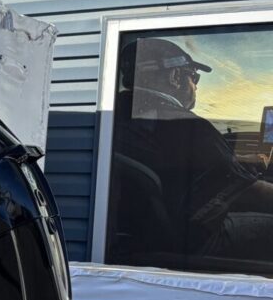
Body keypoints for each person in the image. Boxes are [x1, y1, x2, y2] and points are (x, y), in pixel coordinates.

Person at [112, 37, 273, 269]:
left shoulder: (115, 118)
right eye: (193, 77)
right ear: (175, 77)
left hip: (141, 236)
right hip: (192, 240)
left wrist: (237, 164)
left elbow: (196, 165)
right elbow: (249, 192)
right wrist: (248, 172)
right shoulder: (187, 126)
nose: (196, 86)